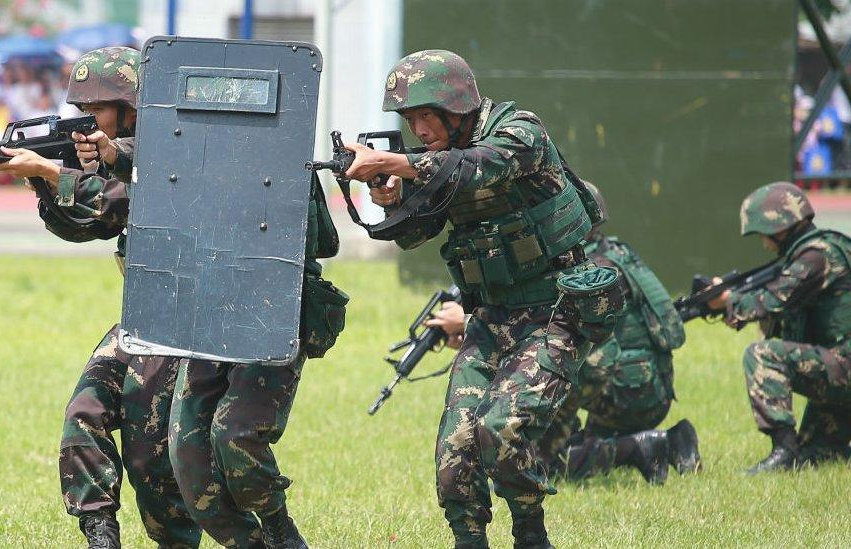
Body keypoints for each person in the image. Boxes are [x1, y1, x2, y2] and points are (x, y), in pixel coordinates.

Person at [348, 50, 619, 548]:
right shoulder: (439, 163)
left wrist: (396, 163)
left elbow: (480, 167)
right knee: (456, 448)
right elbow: (413, 233)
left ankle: (531, 536)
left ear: (457, 106)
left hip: (554, 313)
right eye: (410, 120)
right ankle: (468, 539)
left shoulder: (519, 131)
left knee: (503, 430)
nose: (419, 129)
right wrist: (391, 197)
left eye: (426, 115)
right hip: (491, 317)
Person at [0, 47, 200, 548]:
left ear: (132, 108)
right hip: (147, 312)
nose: (88, 122)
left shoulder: (176, 150)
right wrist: (48, 186)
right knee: (84, 411)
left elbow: (130, 203)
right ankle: (100, 534)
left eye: (98, 110)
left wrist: (52, 174)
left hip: (191, 313)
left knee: (151, 455)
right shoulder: (116, 154)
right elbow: (93, 225)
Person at [428, 182, 701, 485]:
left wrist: (468, 324)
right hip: (640, 384)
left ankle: (646, 446)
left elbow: (548, 331)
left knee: (540, 462)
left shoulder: (591, 271)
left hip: (626, 390)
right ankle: (646, 443)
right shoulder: (611, 254)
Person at [166, 160, 347, 548]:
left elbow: (324, 242)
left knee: (234, 435)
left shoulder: (281, 146)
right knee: (187, 452)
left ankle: (278, 528)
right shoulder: (187, 142)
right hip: (210, 297)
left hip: (274, 301)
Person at [707, 181, 851, 474]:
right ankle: (799, 453)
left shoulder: (817, 255)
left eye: (765, 235)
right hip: (841, 365)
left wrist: (728, 300)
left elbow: (774, 299)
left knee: (762, 354)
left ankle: (782, 450)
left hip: (844, 366)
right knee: (816, 456)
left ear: (780, 227)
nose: (764, 243)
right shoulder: (816, 251)